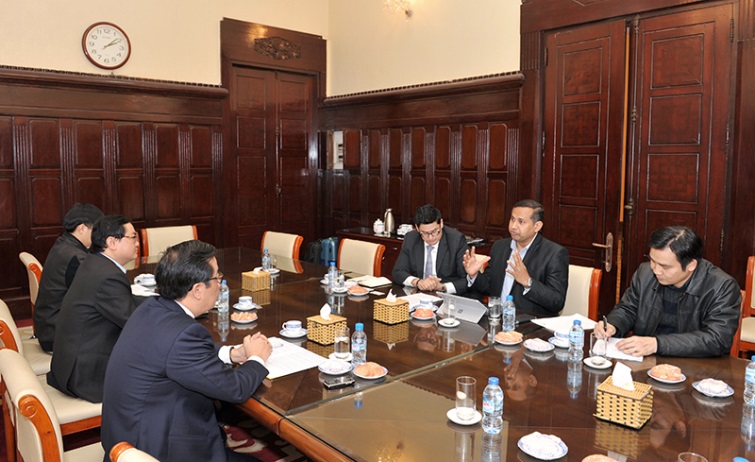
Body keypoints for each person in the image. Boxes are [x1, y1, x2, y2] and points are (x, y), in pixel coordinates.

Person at [101, 240, 272, 462]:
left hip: (129, 434)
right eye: (217, 277)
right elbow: (235, 389)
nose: (220, 283)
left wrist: (230, 354)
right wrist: (257, 358)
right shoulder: (184, 334)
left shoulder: (151, 308)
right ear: (198, 290)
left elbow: (175, 351)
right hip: (158, 449)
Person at [595, 226, 741, 357]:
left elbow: (717, 339)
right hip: (645, 358)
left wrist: (657, 344)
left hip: (695, 364)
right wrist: (613, 325)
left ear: (691, 265)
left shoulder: (722, 287)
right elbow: (628, 308)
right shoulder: (645, 273)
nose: (656, 270)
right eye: (652, 261)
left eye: (665, 266)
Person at [47, 215, 140, 403]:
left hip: (69, 366)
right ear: (112, 242)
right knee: (162, 377)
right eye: (133, 237)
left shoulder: (94, 263)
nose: (137, 243)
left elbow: (122, 304)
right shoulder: (108, 276)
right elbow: (135, 324)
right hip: (87, 378)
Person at [463, 199, 569, 316]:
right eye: (512, 219)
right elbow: (488, 287)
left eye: (521, 222)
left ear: (537, 226)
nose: (513, 226)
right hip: (497, 317)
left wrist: (528, 283)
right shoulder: (500, 246)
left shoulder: (554, 253)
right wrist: (474, 275)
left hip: (531, 322)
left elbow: (557, 301)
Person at [34, 203, 103, 352]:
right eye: (96, 230)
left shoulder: (63, 244)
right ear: (82, 228)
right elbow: (97, 295)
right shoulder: (75, 257)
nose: (99, 237)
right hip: (57, 336)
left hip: (49, 327)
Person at [392, 204, 469, 293]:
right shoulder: (411, 238)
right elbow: (398, 272)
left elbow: (466, 280)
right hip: (420, 294)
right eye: (425, 233)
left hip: (447, 295)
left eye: (435, 231)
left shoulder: (456, 240)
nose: (431, 237)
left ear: (441, 223)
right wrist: (418, 282)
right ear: (417, 228)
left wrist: (442, 287)